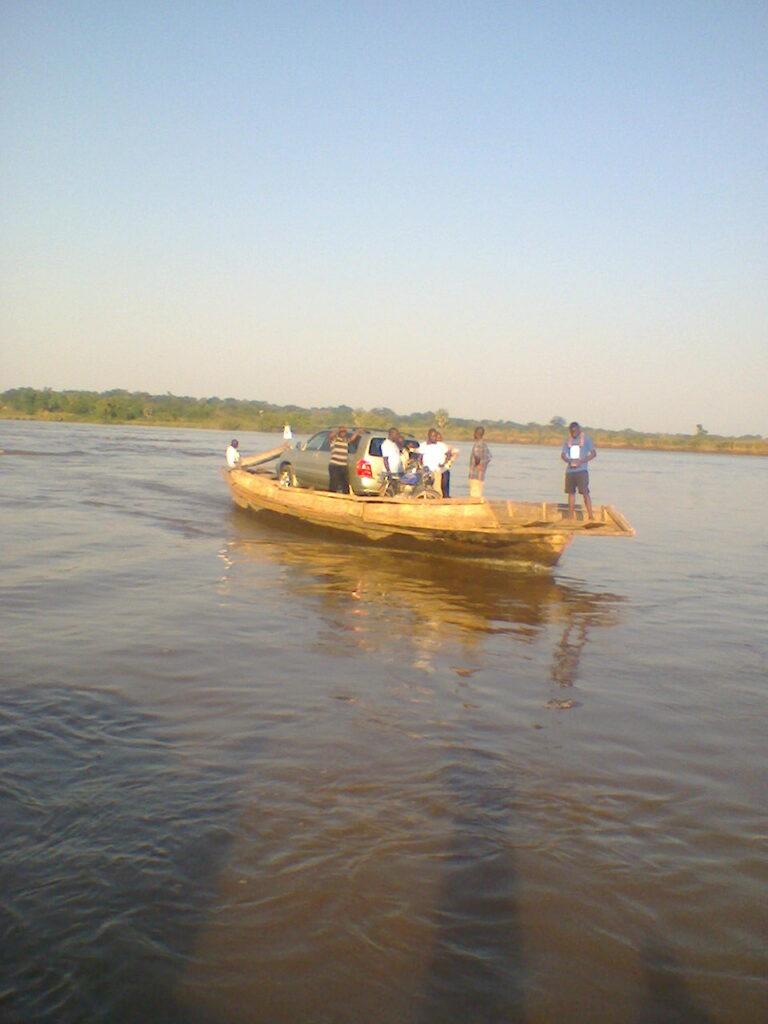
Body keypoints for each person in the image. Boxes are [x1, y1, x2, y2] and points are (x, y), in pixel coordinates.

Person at [561, 421, 596, 519]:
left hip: (582, 471)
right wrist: (569, 460)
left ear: (579, 429)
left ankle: (591, 516)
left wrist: (582, 461)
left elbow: (593, 453)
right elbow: (563, 454)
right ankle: (570, 516)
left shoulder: (586, 439)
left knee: (585, 493)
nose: (573, 433)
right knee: (571, 493)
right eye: (572, 431)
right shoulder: (568, 441)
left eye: (575, 431)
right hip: (570, 471)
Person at [328, 425, 361, 493]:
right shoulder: (335, 440)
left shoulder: (345, 440)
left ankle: (345, 496)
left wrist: (357, 432)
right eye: (342, 432)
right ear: (339, 433)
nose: (343, 433)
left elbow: (352, 439)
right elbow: (330, 436)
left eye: (344, 432)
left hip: (343, 465)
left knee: (345, 484)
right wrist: (339, 429)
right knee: (334, 484)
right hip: (335, 465)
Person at [418, 428, 449, 495]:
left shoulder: (441, 445)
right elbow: (420, 458)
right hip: (427, 471)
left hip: (436, 470)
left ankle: (438, 501)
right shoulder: (423, 445)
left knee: (437, 488)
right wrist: (421, 466)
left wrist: (444, 463)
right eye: (433, 436)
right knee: (427, 488)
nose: (435, 438)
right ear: (429, 436)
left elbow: (448, 454)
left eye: (435, 436)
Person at [468, 426, 492, 497]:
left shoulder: (477, 444)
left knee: (474, 496)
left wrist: (478, 465)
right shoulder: (484, 444)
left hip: (475, 475)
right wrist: (483, 465)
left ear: (476, 434)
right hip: (481, 475)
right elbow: (489, 457)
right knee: (479, 494)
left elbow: (477, 456)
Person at [435, 431, 459, 497]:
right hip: (435, 469)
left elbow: (456, 451)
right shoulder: (432, 447)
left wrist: (450, 461)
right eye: (437, 438)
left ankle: (445, 497)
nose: (438, 439)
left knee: (444, 486)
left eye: (439, 438)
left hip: (444, 469)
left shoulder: (445, 446)